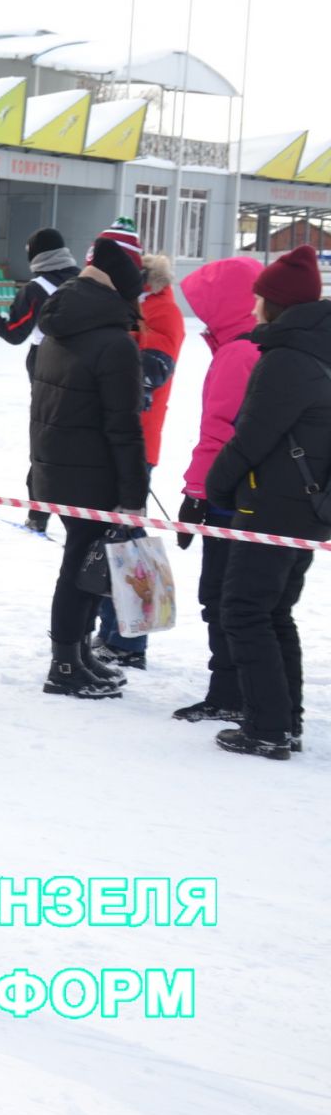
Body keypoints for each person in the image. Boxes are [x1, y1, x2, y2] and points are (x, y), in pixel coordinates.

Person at [205, 245, 331, 760]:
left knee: (245, 612)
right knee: (275, 612)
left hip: (273, 505)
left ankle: (267, 728)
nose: (253, 309)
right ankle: (284, 722)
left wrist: (217, 486)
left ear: (277, 304)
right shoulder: (314, 349)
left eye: (260, 299)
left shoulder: (287, 359)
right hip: (302, 503)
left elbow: (252, 435)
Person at [25, 218, 148, 700]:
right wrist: (132, 497)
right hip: (93, 474)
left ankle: (76, 654)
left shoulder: (61, 323)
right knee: (83, 571)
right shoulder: (113, 341)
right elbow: (124, 427)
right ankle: (65, 665)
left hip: (59, 467)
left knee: (82, 566)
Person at [171, 256, 263, 725]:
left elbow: (218, 434)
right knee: (251, 602)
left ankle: (227, 690)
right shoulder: (261, 344)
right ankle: (243, 690)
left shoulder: (237, 353)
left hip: (231, 496)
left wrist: (197, 494)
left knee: (221, 595)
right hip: (260, 495)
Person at [92, 253, 184, 669]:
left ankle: (127, 642)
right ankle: (112, 633)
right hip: (118, 435)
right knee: (111, 539)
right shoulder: (140, 308)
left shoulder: (161, 311)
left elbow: (152, 370)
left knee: (124, 543)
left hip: (137, 439)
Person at [0, 227, 80, 534]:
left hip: (48, 366)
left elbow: (15, 332)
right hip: (88, 365)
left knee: (46, 442)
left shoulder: (36, 289)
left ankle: (39, 516)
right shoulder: (85, 278)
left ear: (35, 256)